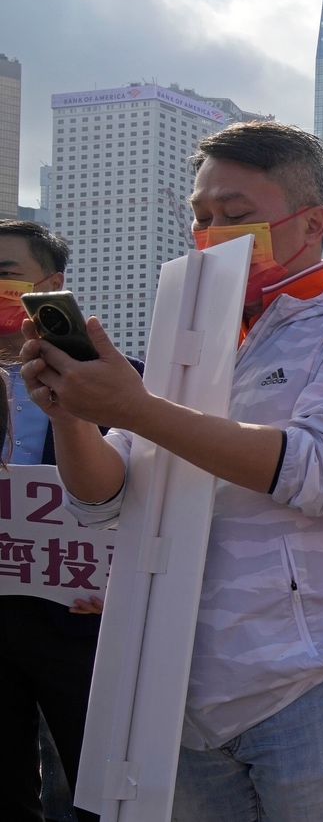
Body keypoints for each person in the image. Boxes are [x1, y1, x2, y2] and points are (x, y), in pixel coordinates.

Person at [25, 122, 323, 820]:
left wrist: (139, 409)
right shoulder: (186, 343)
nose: (211, 234)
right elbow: (104, 492)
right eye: (201, 217)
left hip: (314, 675)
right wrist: (71, 411)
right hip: (175, 672)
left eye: (237, 218)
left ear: (311, 224)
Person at [0, 221, 109, 822]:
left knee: (88, 786)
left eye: (6, 273)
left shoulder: (114, 382)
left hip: (77, 618)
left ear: (50, 285)